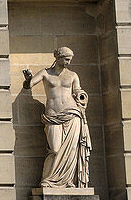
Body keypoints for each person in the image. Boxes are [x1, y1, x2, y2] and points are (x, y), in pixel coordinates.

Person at [23, 47, 91, 191]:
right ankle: (48, 179)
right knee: (54, 149)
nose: (68, 62)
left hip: (72, 114)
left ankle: (67, 181)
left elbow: (77, 91)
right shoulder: (45, 73)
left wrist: (81, 95)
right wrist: (28, 79)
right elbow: (28, 85)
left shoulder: (73, 75)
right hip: (53, 115)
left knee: (72, 150)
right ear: (58, 57)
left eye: (70, 59)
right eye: (66, 59)